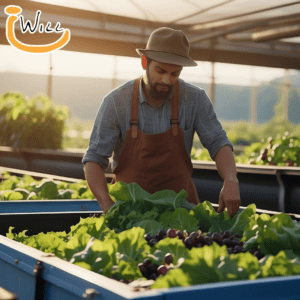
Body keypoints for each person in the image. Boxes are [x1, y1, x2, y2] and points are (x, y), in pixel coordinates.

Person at [82, 27, 241, 217]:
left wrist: (231, 180)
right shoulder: (116, 102)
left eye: (175, 74)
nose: (167, 80)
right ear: (144, 62)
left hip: (181, 213)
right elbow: (94, 159)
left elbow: (218, 142)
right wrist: (108, 206)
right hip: (130, 213)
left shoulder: (195, 99)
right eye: (161, 70)